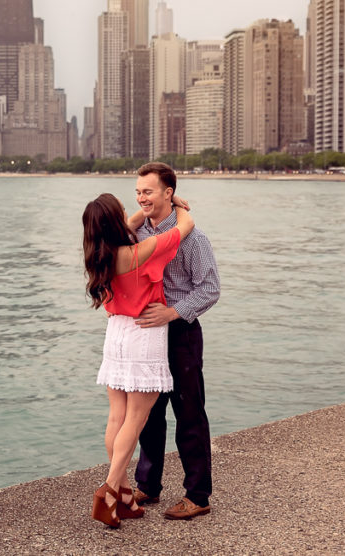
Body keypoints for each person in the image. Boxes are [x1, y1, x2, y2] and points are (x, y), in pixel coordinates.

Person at [82, 192, 195, 528]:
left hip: (115, 335)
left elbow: (129, 221)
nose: (129, 212)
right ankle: (109, 490)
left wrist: (133, 213)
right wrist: (176, 205)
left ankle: (127, 497)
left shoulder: (98, 253)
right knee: (137, 418)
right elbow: (183, 229)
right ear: (115, 219)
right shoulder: (135, 252)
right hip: (144, 333)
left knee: (117, 417)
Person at [132, 161, 220, 520]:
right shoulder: (137, 234)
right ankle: (148, 487)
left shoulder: (193, 238)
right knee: (148, 415)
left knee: (189, 415)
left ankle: (197, 495)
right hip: (147, 337)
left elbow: (210, 289)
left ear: (168, 193)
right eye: (138, 192)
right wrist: (145, 213)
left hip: (181, 333)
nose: (141, 198)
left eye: (148, 191)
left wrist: (171, 313)